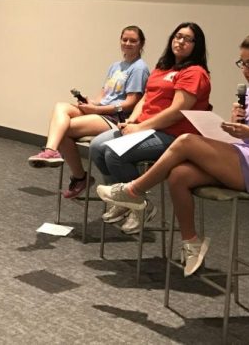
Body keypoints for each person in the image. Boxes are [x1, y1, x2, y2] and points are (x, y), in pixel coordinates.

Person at [96, 32, 249, 276]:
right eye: (242, 63)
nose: (245, 70)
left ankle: (133, 191)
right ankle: (191, 243)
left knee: (185, 141)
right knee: (179, 175)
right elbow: (247, 137)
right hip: (245, 157)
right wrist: (236, 128)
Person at [89, 22, 211, 234]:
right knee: (96, 146)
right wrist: (133, 122)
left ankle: (138, 204)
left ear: (196, 45)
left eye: (187, 39)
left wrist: (141, 127)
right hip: (147, 127)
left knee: (114, 153)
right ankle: (124, 201)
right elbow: (146, 97)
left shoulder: (194, 72)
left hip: (173, 134)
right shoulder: (164, 66)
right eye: (177, 36)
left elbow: (176, 112)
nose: (180, 41)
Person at [28, 26, 150, 199]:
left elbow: (131, 104)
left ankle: (79, 177)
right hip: (100, 111)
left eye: (133, 41)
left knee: (64, 129)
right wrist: (90, 102)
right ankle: (51, 150)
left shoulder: (139, 68)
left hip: (115, 118)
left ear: (141, 44)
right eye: (125, 39)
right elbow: (104, 95)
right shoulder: (116, 66)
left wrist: (97, 109)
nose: (128, 43)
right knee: (60, 107)